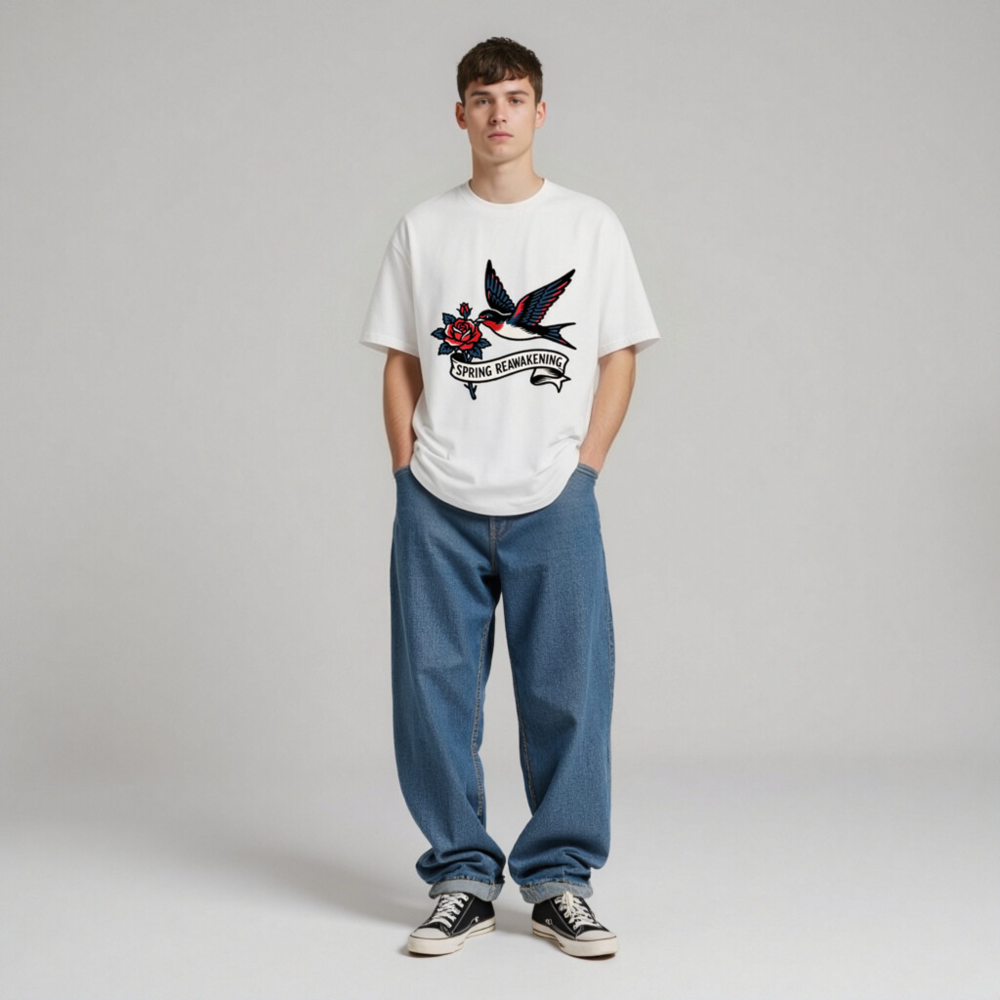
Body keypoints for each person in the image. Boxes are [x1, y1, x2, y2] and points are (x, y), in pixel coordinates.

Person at [359, 36, 661, 959]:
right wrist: (406, 472)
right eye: (483, 99)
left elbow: (618, 355)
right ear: (460, 115)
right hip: (438, 501)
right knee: (433, 693)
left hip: (553, 498)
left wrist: (585, 468)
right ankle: (461, 877)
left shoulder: (589, 225)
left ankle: (561, 880)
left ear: (540, 112)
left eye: (516, 97)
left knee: (569, 692)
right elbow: (401, 360)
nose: (499, 114)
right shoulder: (424, 228)